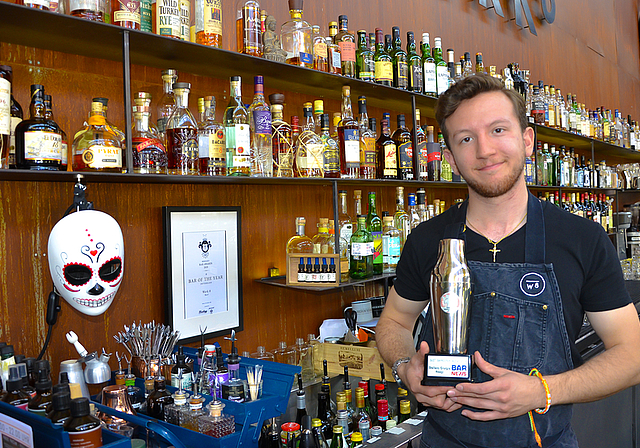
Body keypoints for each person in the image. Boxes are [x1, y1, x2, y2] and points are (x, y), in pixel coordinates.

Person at [376, 74, 640, 448]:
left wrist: (541, 391)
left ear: (527, 140)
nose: (484, 150)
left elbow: (632, 355)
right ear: (450, 159)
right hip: (445, 440)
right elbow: (394, 321)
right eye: (466, 138)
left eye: (498, 129)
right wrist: (406, 368)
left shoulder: (581, 239)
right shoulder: (426, 240)